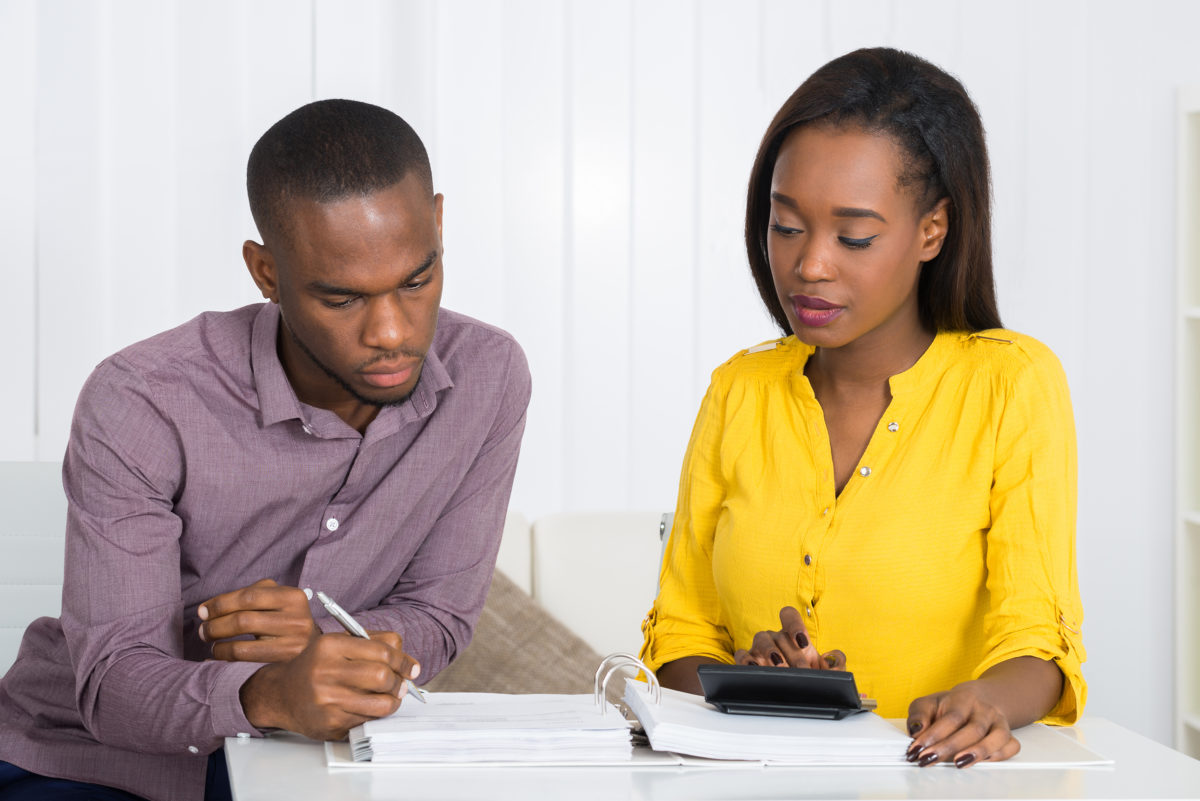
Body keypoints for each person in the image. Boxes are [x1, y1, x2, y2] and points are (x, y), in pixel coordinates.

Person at [0, 99, 530, 801]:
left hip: (312, 767)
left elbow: (441, 616)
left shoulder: (488, 377)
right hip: (83, 759)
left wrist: (313, 630)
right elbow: (116, 682)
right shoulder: (141, 400)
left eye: (417, 279)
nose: (393, 332)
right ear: (266, 273)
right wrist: (270, 693)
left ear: (436, 224)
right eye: (342, 300)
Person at [639, 48, 1086, 769]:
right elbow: (679, 637)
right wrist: (753, 683)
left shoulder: (1012, 384)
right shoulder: (739, 391)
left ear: (932, 231)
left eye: (854, 236)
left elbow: (1037, 643)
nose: (811, 264)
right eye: (786, 226)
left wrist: (984, 701)